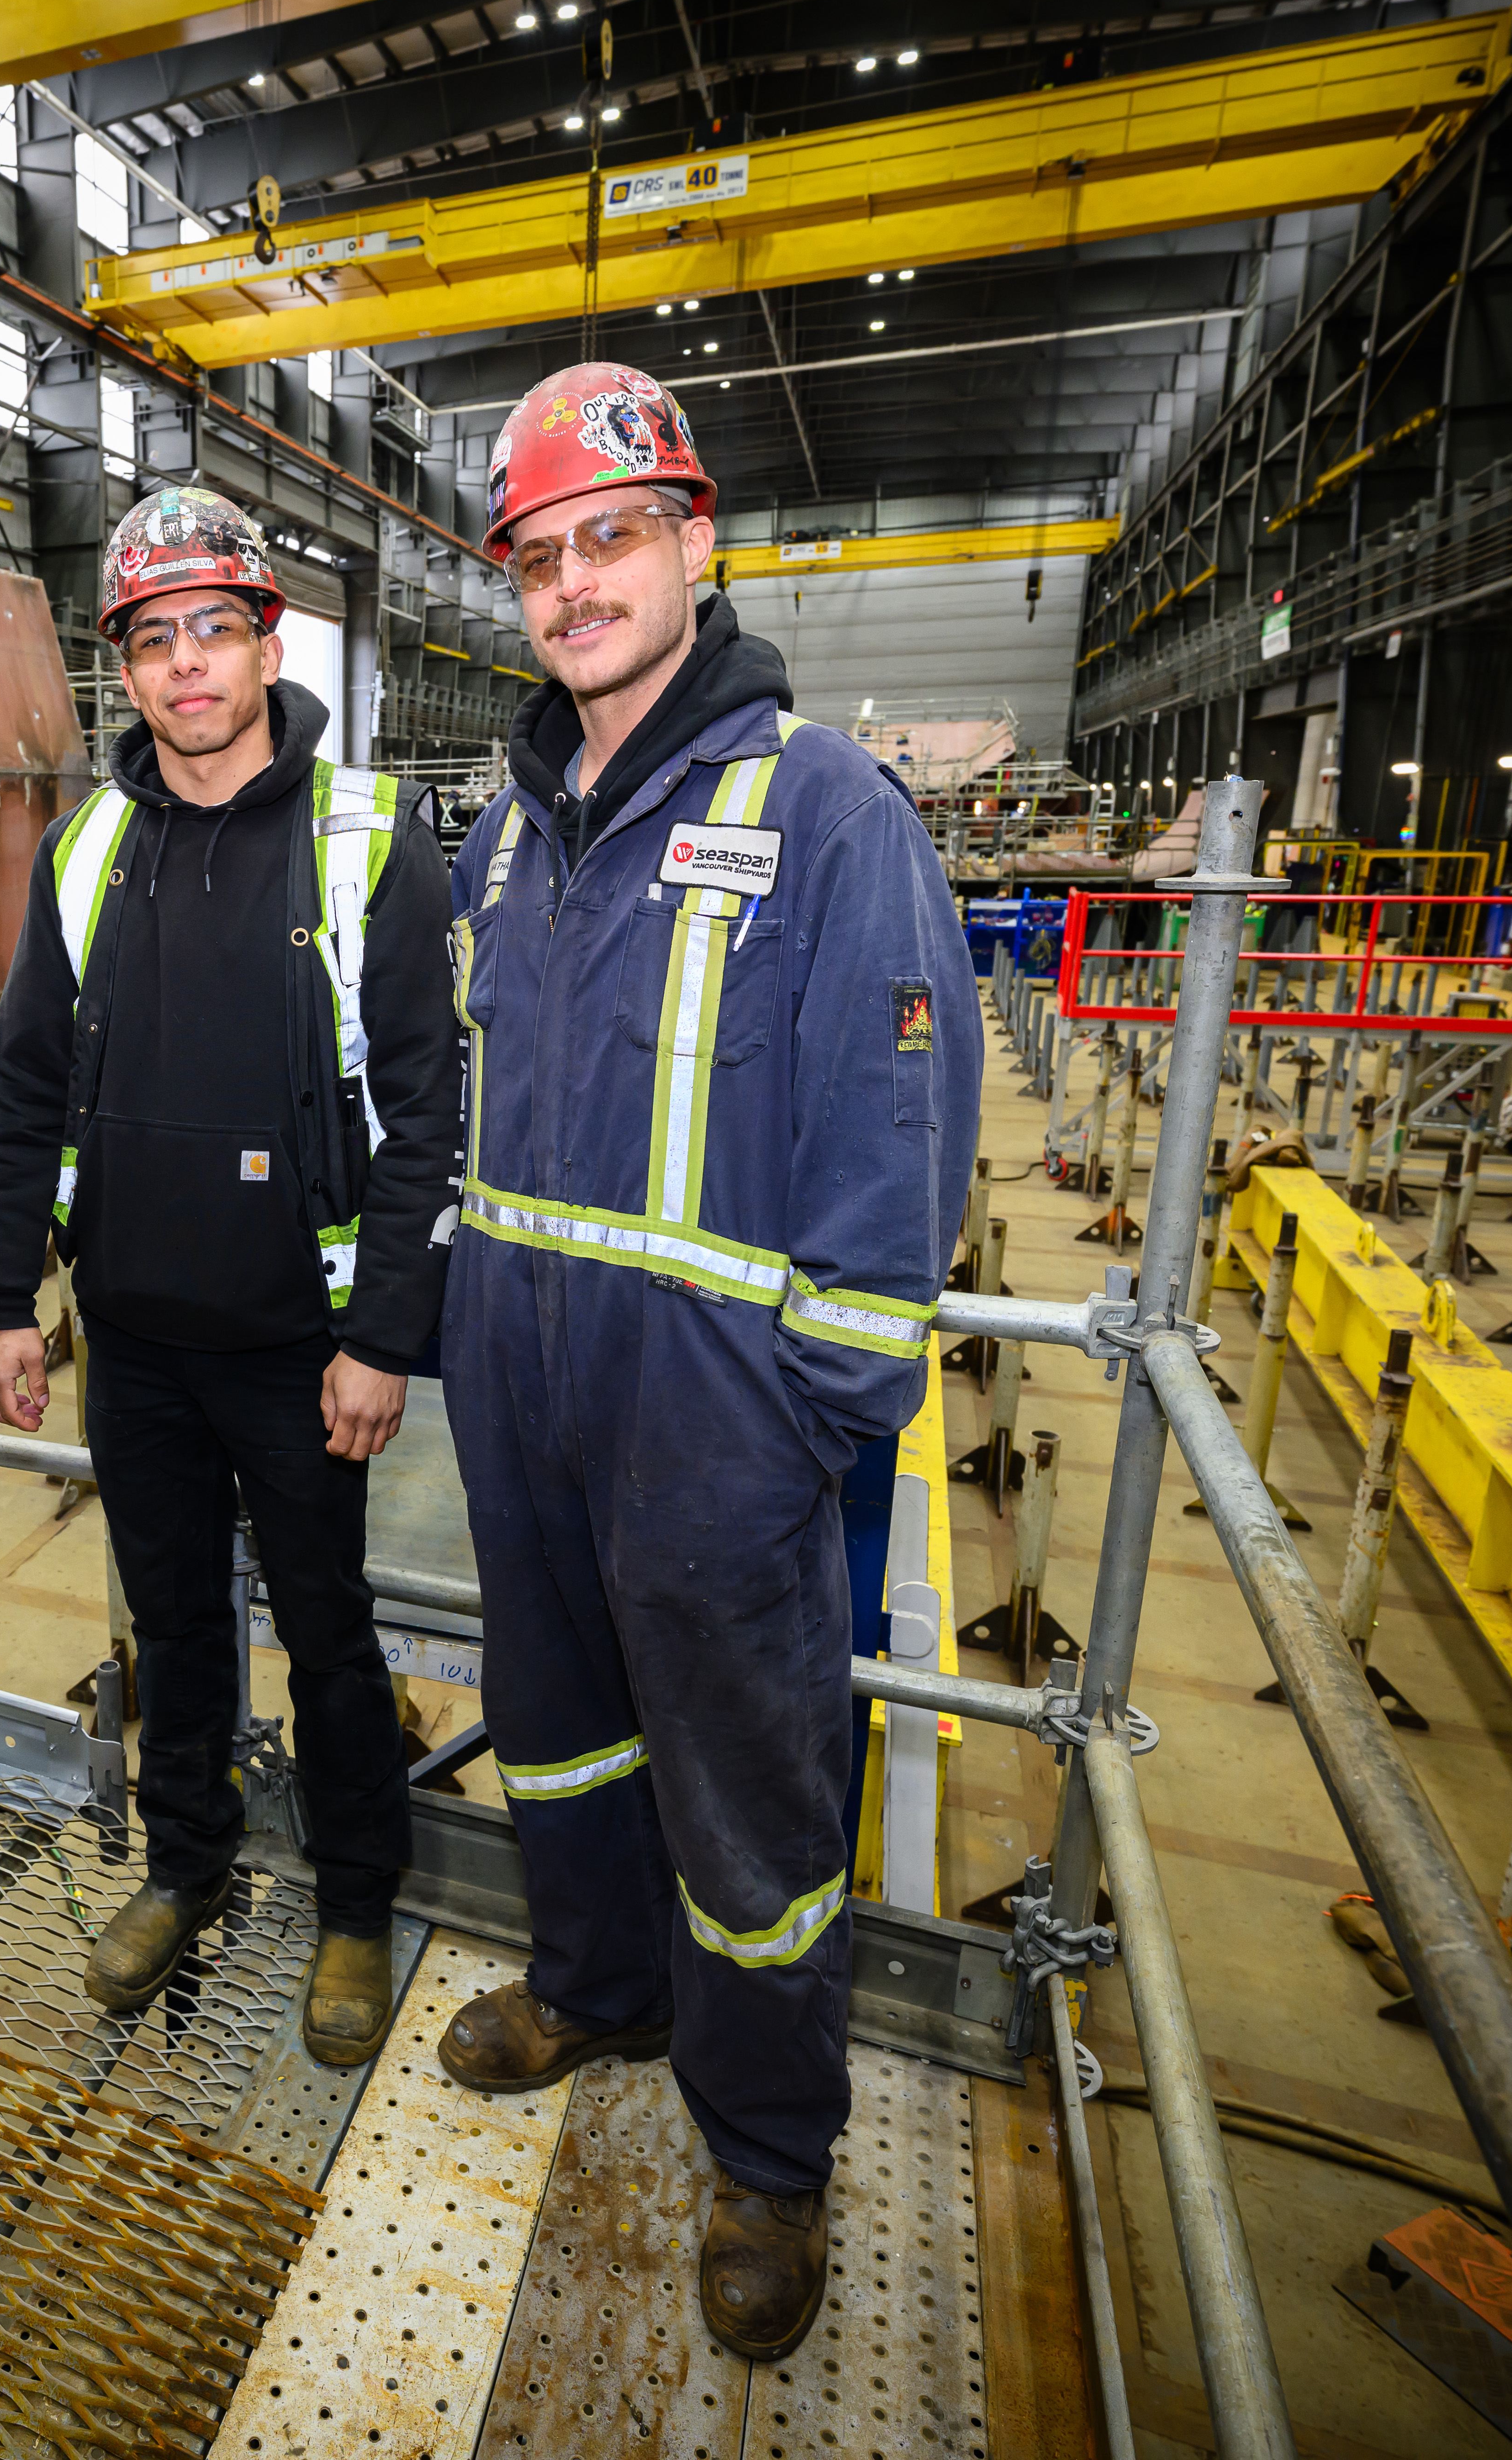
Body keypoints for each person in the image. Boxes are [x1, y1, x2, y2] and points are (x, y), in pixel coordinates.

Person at [429, 366, 980, 2359]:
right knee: (560, 1730)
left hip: (717, 1434)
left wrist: (798, 1420)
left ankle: (767, 2149)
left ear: (695, 541)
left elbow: (895, 1149)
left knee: (755, 1809)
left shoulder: (823, 812)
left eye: (613, 538)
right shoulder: (511, 830)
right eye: (544, 555)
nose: (575, 584)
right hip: (528, 1403)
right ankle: (597, 1986)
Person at [0, 484, 460, 2068]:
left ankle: (356, 1907)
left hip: (296, 1352)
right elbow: (26, 1084)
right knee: (174, 1622)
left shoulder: (368, 838)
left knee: (327, 1630)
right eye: (155, 641)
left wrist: (381, 1332)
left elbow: (424, 1111)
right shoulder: (87, 850)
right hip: (136, 1339)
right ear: (123, 665)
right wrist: (2, 1299)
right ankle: (185, 1870)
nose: (188, 667)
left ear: (266, 644)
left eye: (215, 633)